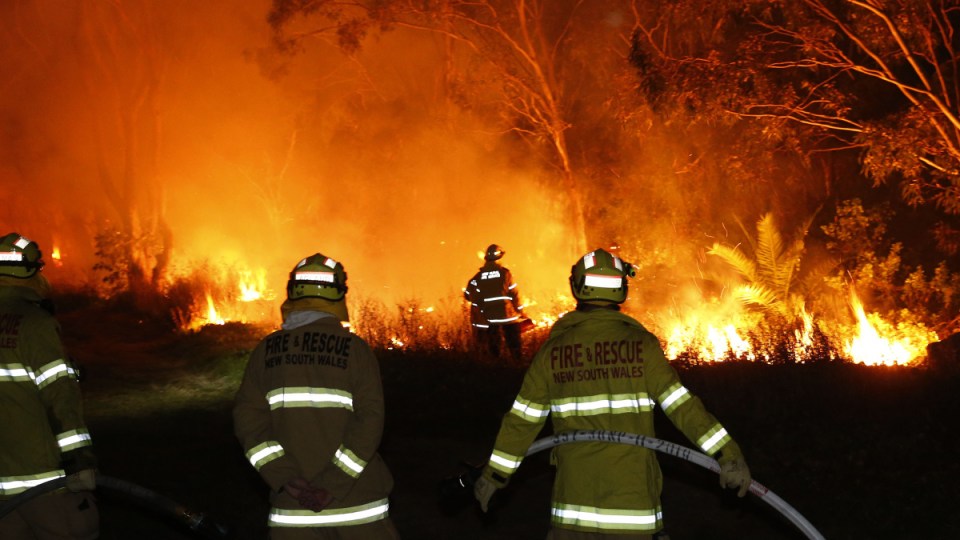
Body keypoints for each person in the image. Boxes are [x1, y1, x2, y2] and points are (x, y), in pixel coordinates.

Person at [473, 248, 752, 539]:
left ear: (576, 287)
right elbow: (684, 408)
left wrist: (493, 476)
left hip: (573, 513)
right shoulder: (642, 347)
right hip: (633, 512)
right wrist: (728, 456)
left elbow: (522, 421)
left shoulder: (552, 353)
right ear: (622, 289)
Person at [233, 253, 399, 539]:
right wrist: (332, 485)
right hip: (357, 506)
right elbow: (370, 421)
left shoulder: (266, 351)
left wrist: (283, 477)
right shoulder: (355, 350)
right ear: (339, 294)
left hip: (293, 509)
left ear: (292, 294)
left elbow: (248, 422)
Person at [0, 232, 99, 540]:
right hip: (45, 482)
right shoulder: (35, 325)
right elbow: (60, 396)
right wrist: (79, 460)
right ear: (31, 271)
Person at [463, 244, 525, 361]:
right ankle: (517, 364)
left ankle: (496, 366)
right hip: (507, 316)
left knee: (493, 346)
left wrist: (481, 301)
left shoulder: (478, 277)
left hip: (489, 317)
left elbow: (467, 294)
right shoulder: (505, 273)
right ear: (499, 258)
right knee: (514, 344)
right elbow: (514, 294)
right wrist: (520, 310)